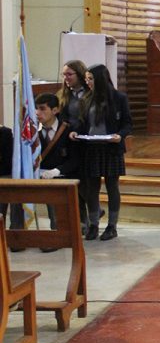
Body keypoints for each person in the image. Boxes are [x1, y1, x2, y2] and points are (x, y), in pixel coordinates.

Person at [69, 64, 132, 241]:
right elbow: (82, 123)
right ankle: (94, 224)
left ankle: (112, 226)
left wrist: (120, 136)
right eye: (87, 79)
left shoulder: (119, 97)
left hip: (111, 147)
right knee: (91, 188)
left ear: (100, 79)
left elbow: (127, 124)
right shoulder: (87, 98)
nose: (87, 82)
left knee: (112, 187)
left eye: (91, 78)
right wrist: (75, 132)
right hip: (91, 147)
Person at [7, 94, 79, 240]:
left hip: (61, 176)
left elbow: (75, 160)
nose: (37, 113)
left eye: (42, 109)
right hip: (38, 175)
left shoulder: (68, 131)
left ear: (55, 110)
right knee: (16, 192)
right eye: (36, 109)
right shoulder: (33, 134)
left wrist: (56, 171)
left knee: (53, 192)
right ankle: (17, 235)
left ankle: (55, 235)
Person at [58, 60, 91, 228]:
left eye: (69, 74)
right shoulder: (64, 94)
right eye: (64, 75)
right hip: (70, 141)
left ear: (79, 74)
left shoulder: (89, 93)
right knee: (74, 180)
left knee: (85, 181)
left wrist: (81, 131)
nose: (66, 78)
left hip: (87, 141)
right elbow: (62, 117)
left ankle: (92, 211)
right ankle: (82, 221)